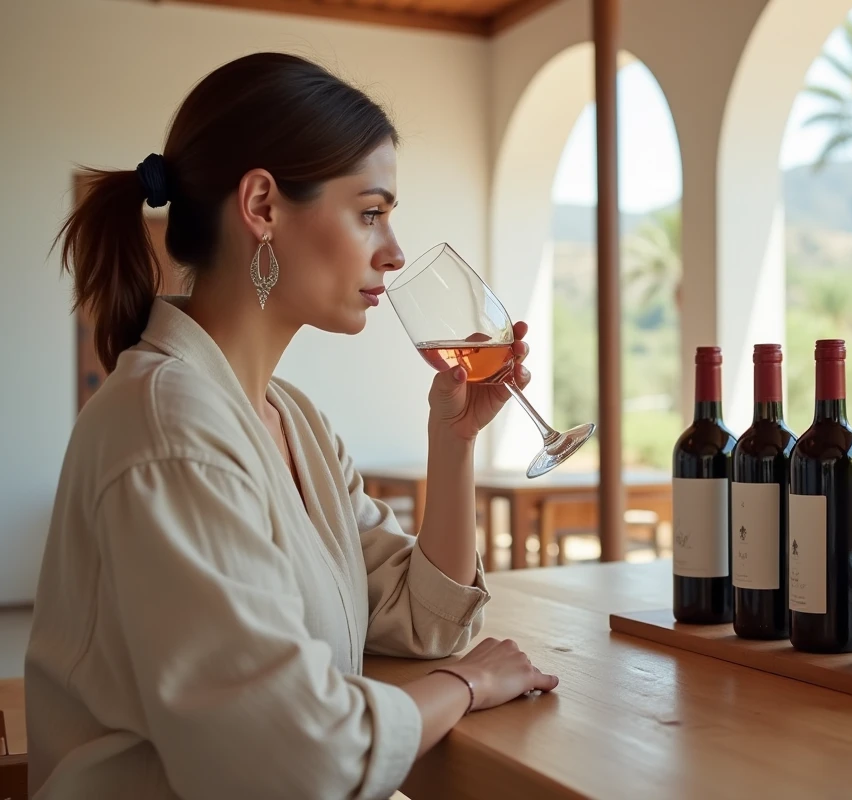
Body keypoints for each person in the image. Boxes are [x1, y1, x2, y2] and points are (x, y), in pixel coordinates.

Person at [23, 52, 558, 800]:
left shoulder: (292, 420)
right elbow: (296, 760)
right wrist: (463, 685)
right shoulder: (170, 435)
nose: (394, 252)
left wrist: (455, 441)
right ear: (263, 206)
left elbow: (420, 618)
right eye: (371, 212)